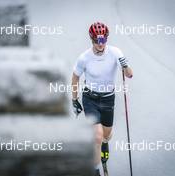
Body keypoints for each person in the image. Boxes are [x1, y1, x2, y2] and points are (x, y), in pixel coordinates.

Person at [71, 22, 133, 176]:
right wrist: (74, 99)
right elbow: (75, 78)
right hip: (90, 99)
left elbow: (129, 75)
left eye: (103, 40)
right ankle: (94, 170)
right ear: (92, 39)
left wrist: (125, 66)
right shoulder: (84, 58)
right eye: (97, 41)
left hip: (107, 100)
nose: (101, 44)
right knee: (97, 135)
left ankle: (105, 143)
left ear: (106, 39)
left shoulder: (115, 52)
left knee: (106, 135)